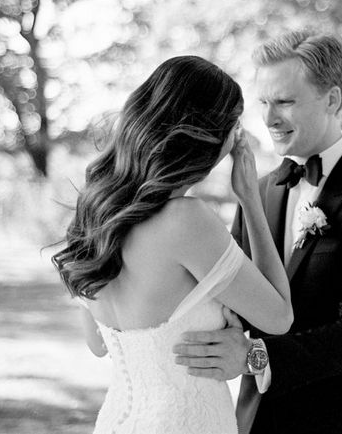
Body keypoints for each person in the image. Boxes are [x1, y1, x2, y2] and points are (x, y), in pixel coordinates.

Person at [173, 31, 342, 434]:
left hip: (337, 421)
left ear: (332, 100)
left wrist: (253, 357)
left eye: (285, 102)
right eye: (264, 102)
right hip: (254, 419)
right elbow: (235, 299)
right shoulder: (256, 191)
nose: (269, 119)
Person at [51, 55, 293, 434]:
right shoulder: (186, 220)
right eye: (234, 125)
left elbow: (98, 345)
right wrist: (250, 200)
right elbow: (279, 317)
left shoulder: (95, 214)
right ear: (209, 136)